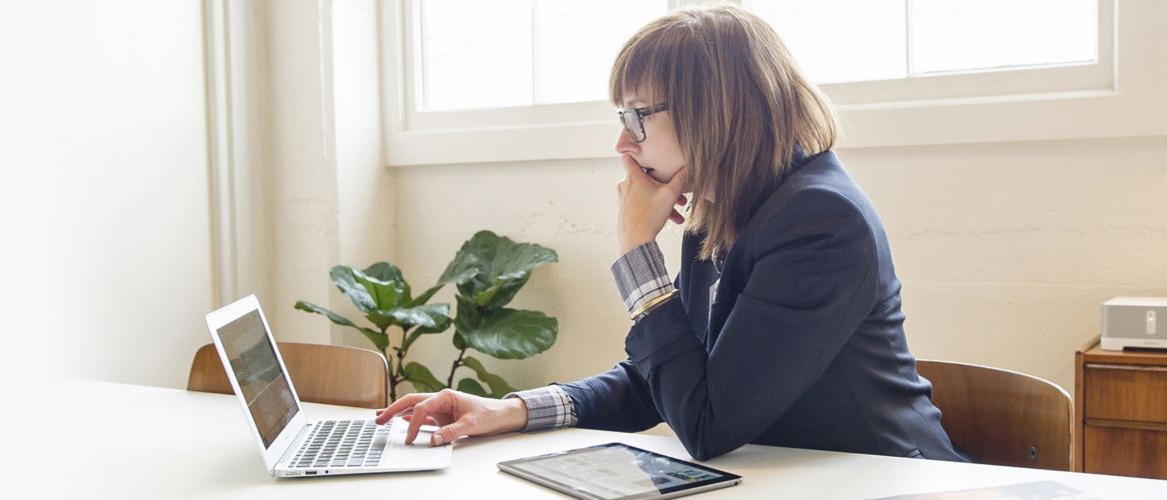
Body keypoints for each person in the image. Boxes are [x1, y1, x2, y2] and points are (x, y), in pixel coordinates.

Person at [374, 4, 967, 462]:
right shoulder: (724, 208)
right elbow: (666, 378)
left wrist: (637, 257)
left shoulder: (822, 224)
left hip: (892, 481)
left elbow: (707, 422)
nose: (622, 145)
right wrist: (513, 410)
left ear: (714, 111)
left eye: (638, 117)